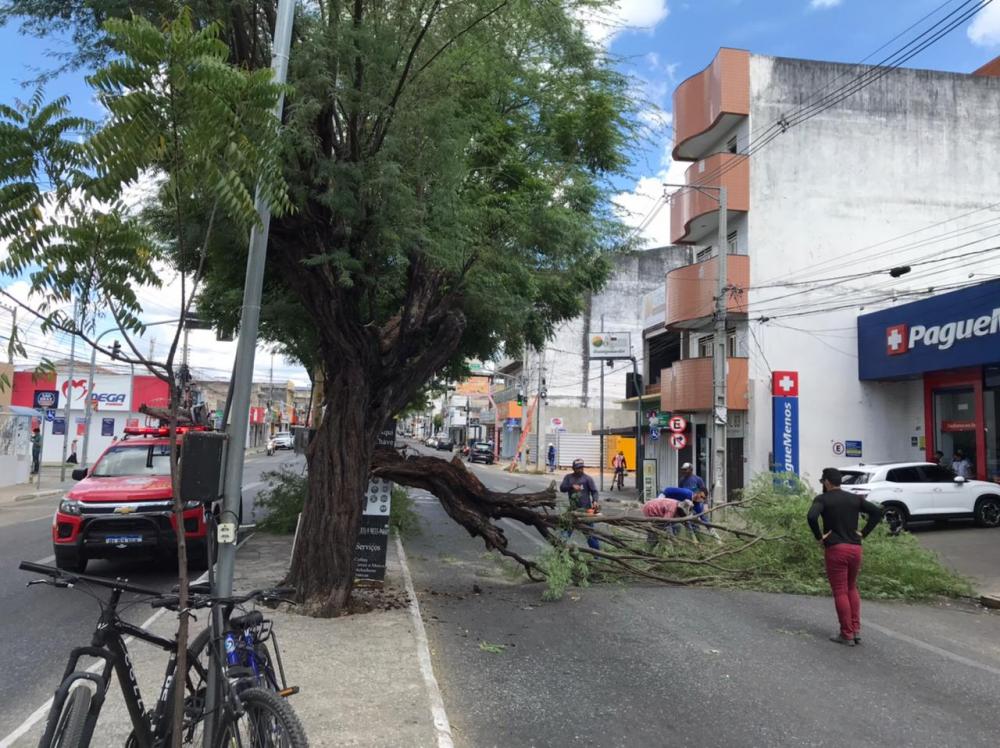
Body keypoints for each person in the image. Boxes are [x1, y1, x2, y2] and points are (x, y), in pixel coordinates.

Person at [807, 467, 883, 647]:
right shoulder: (854, 498)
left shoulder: (823, 499)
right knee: (852, 588)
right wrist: (863, 533)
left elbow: (811, 517)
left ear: (826, 482)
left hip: (836, 549)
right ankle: (855, 630)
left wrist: (819, 537)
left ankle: (846, 633)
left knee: (840, 591)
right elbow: (877, 512)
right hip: (855, 548)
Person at [559, 459, 601, 549]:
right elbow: (562, 488)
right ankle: (560, 551)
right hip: (573, 510)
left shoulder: (587, 479)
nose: (580, 470)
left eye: (582, 468)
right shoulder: (568, 478)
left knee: (590, 535)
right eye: (578, 468)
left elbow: (594, 492)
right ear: (573, 468)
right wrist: (571, 486)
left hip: (586, 511)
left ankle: (597, 556)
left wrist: (595, 501)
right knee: (565, 533)